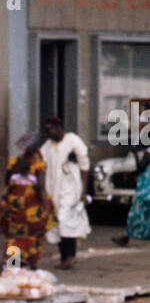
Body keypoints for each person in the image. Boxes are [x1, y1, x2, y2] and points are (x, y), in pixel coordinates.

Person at [40, 116, 91, 270]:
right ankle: (64, 257)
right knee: (57, 223)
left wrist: (83, 191)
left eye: (50, 130)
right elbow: (42, 164)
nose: (48, 134)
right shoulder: (47, 146)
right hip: (54, 188)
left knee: (65, 220)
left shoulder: (73, 140)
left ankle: (71, 255)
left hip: (71, 188)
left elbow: (84, 166)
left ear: (58, 127)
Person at [0, 133, 54, 270]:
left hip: (14, 206)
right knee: (34, 236)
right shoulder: (38, 164)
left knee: (14, 237)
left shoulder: (13, 162)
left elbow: (7, 184)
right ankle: (31, 264)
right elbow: (40, 188)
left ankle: (13, 267)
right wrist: (46, 208)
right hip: (31, 208)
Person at [113, 149, 150, 245]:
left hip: (146, 187)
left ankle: (126, 238)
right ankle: (126, 237)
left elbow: (141, 166)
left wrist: (136, 155)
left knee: (138, 211)